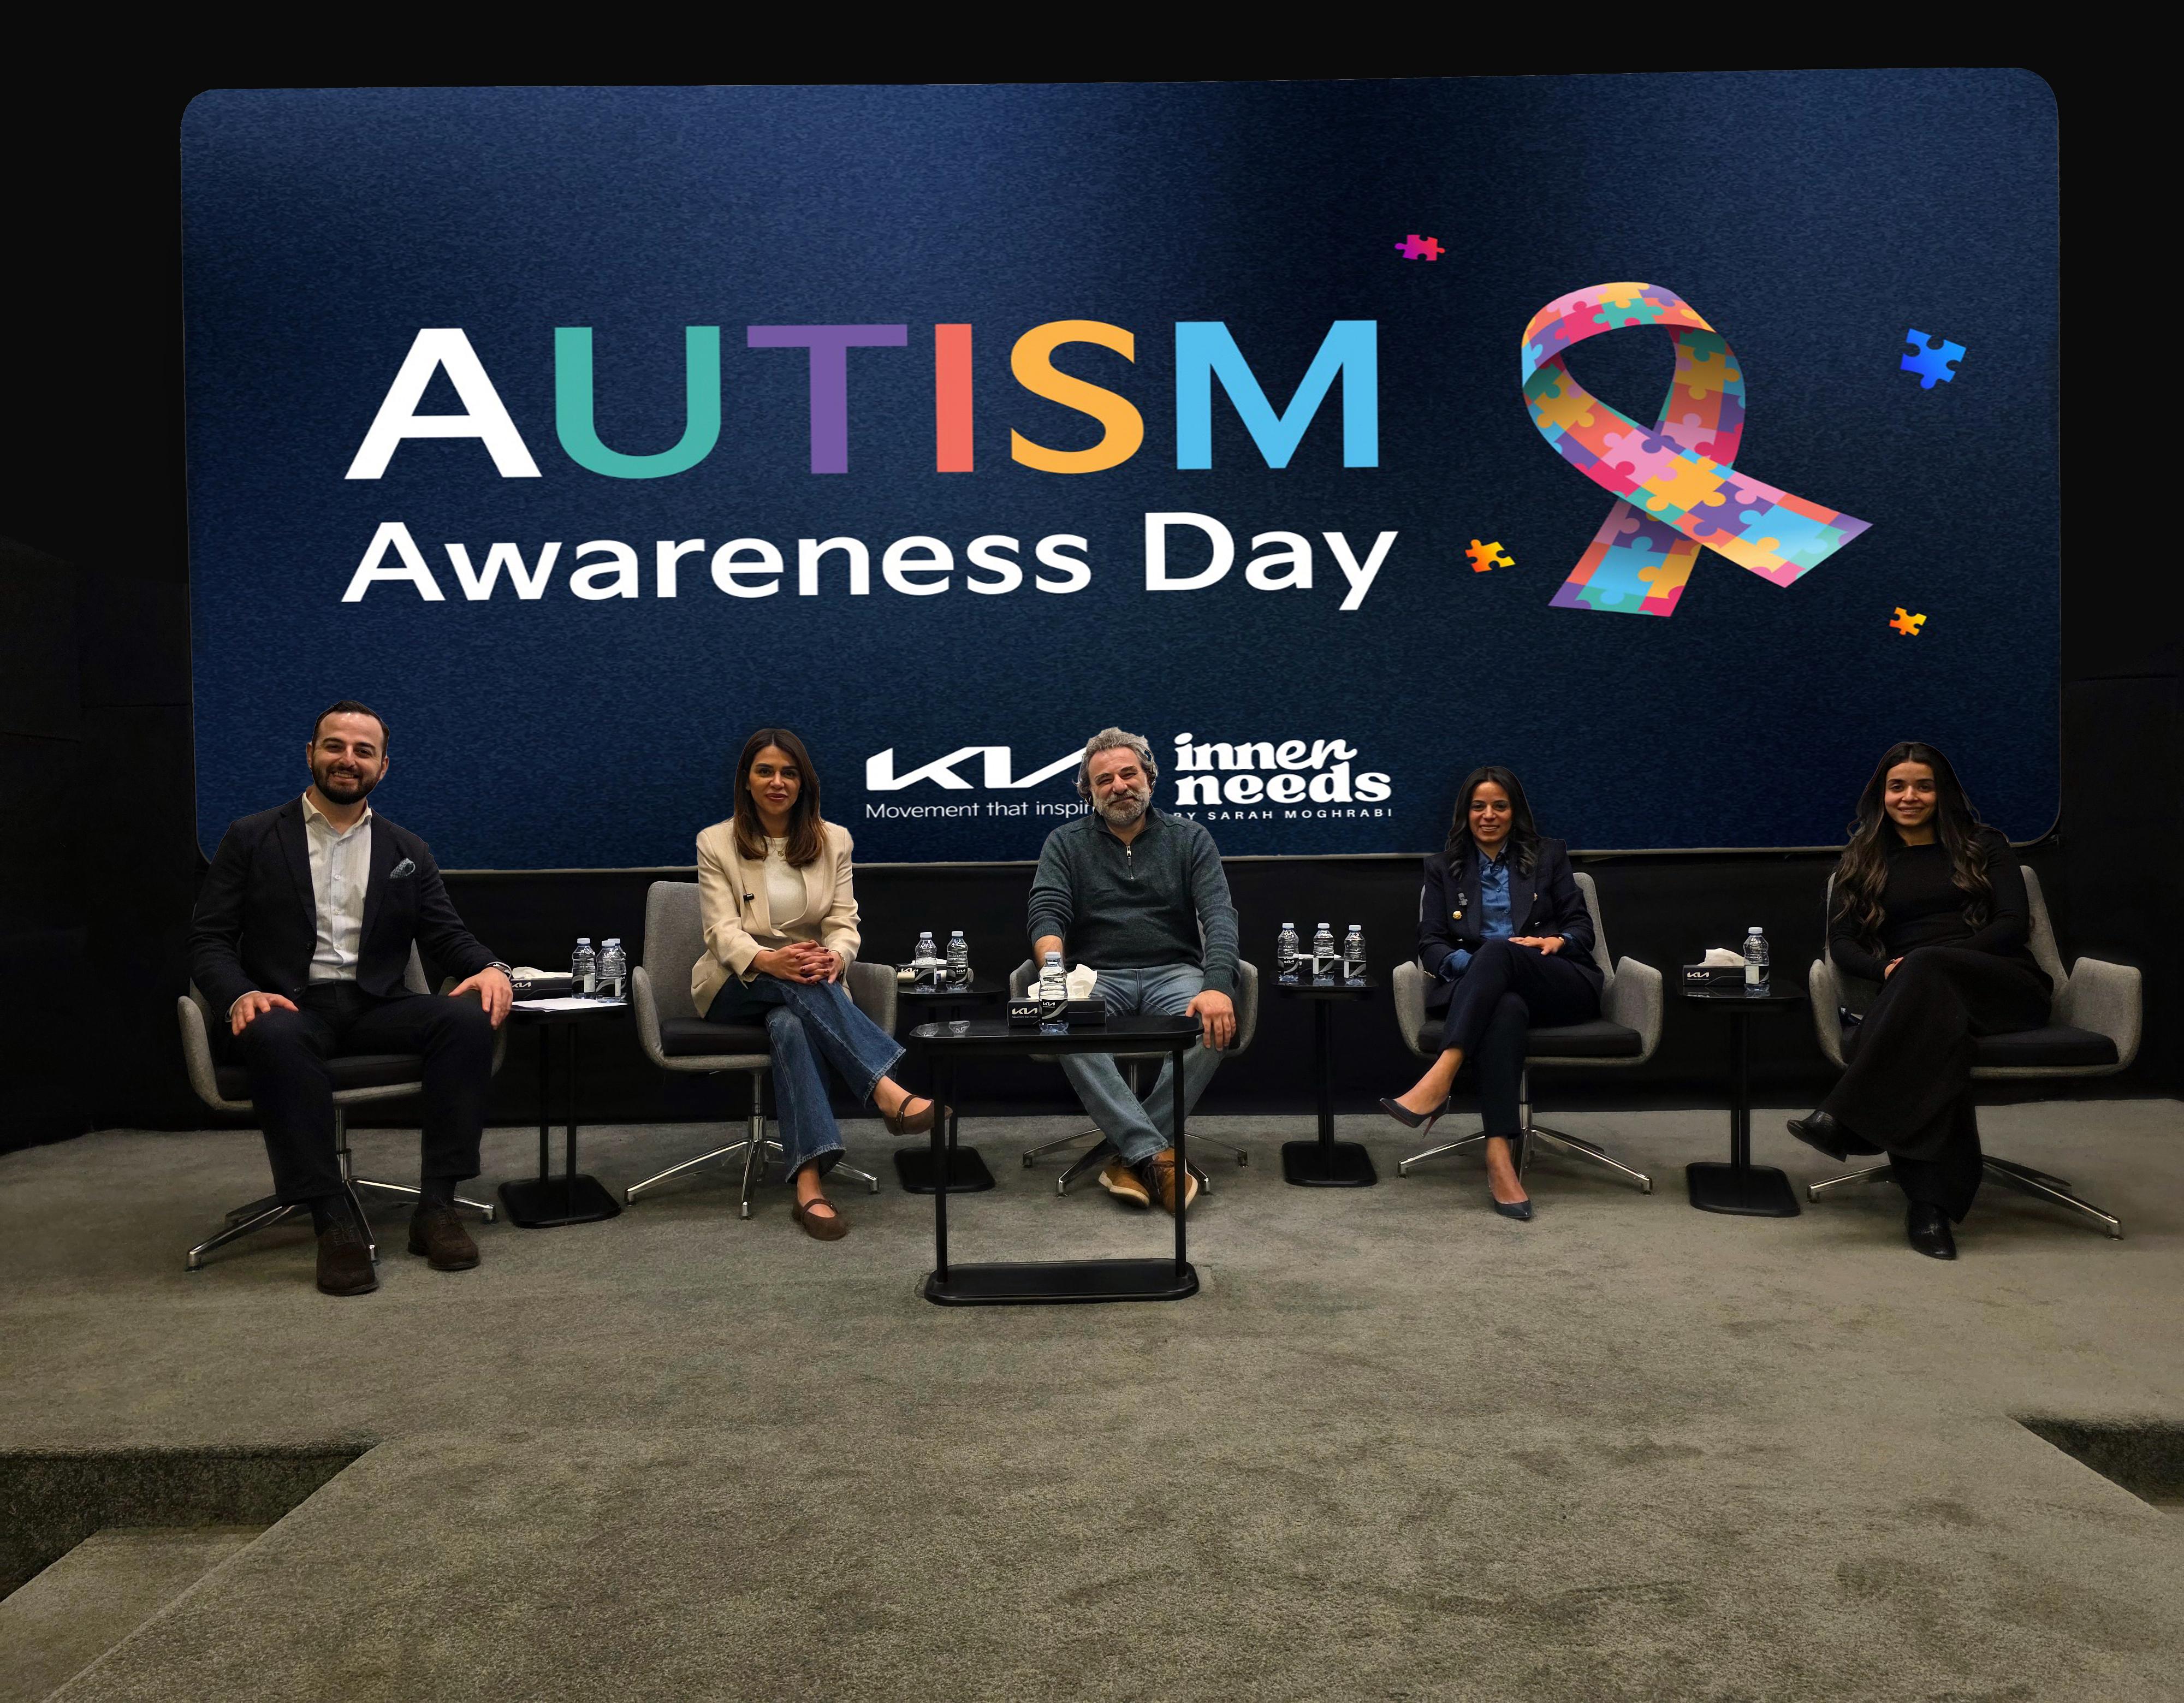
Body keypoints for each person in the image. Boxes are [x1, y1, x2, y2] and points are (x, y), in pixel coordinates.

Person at [188, 701, 513, 1296]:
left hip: (374, 1005)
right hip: (288, 1005)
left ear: (383, 767)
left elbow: (446, 935)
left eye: (364, 751)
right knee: (275, 1032)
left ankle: (437, 1207)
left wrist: (492, 968)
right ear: (310, 754)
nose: (348, 759)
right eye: (335, 745)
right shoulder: (252, 837)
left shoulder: (407, 848)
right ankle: (331, 1217)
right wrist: (240, 993)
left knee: (466, 1020)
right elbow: (209, 939)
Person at [1786, 741, 2050, 1260]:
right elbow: (1843, 944)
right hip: (1918, 994)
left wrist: (1934, 960)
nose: (1910, 796)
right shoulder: (1864, 859)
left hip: (2003, 985)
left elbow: (2012, 925)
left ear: (1942, 792)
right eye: (1898, 786)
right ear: (1882, 795)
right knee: (1937, 1035)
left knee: (1927, 975)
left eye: (1923, 786)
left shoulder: (1986, 845)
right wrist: (1886, 969)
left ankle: (1846, 1115)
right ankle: (1930, 1207)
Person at [694, 728, 936, 1241]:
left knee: (790, 1024)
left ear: (804, 782)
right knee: (794, 987)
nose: (777, 782)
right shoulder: (715, 841)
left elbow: (844, 922)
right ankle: (887, 1089)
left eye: (789, 772)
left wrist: (835, 957)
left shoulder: (835, 840)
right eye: (765, 771)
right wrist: (768, 959)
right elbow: (720, 931)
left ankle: (809, 1185)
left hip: (811, 981)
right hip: (735, 981)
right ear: (746, 780)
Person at [1028, 727, 1238, 1216]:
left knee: (1214, 1019)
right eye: (1104, 780)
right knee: (1059, 1018)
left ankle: (1131, 1153)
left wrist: (1216, 985)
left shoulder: (1190, 838)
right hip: (1097, 974)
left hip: (1174, 971)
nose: (1119, 786)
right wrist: (1055, 973)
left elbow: (1219, 916)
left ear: (1149, 777)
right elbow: (1047, 912)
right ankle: (1155, 1154)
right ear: (1089, 791)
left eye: (1128, 774)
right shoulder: (1065, 842)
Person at [1379, 766, 1600, 1221]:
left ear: (1514, 811)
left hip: (1556, 981)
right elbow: (1431, 943)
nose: (1489, 815)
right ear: (1466, 813)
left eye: (1500, 806)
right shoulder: (1443, 868)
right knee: (1504, 1002)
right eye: (1479, 806)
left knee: (1499, 951)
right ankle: (1499, 1158)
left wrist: (1557, 941)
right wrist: (1478, 967)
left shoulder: (1549, 856)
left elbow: (1582, 927)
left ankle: (1442, 1076)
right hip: (1486, 994)